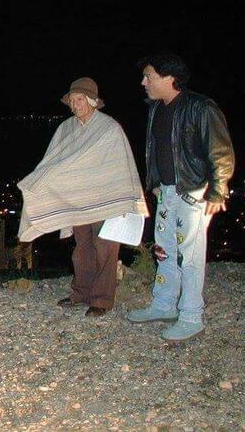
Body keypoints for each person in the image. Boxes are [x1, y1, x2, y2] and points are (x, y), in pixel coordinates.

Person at [18, 77, 148, 317]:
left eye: (79, 100)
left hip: (105, 200)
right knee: (82, 249)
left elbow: (120, 165)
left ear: (92, 101)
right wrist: (38, 181)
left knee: (105, 247)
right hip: (77, 202)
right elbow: (54, 161)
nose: (74, 105)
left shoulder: (109, 128)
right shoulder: (66, 129)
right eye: (71, 101)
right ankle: (81, 293)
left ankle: (102, 300)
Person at [127, 53, 234, 341]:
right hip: (167, 191)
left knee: (190, 256)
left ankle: (191, 316)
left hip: (193, 192)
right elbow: (155, 150)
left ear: (168, 78)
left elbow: (221, 152)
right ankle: (163, 305)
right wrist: (155, 183)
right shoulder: (156, 109)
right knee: (165, 252)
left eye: (149, 76)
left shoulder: (201, 107)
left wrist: (217, 191)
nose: (144, 82)